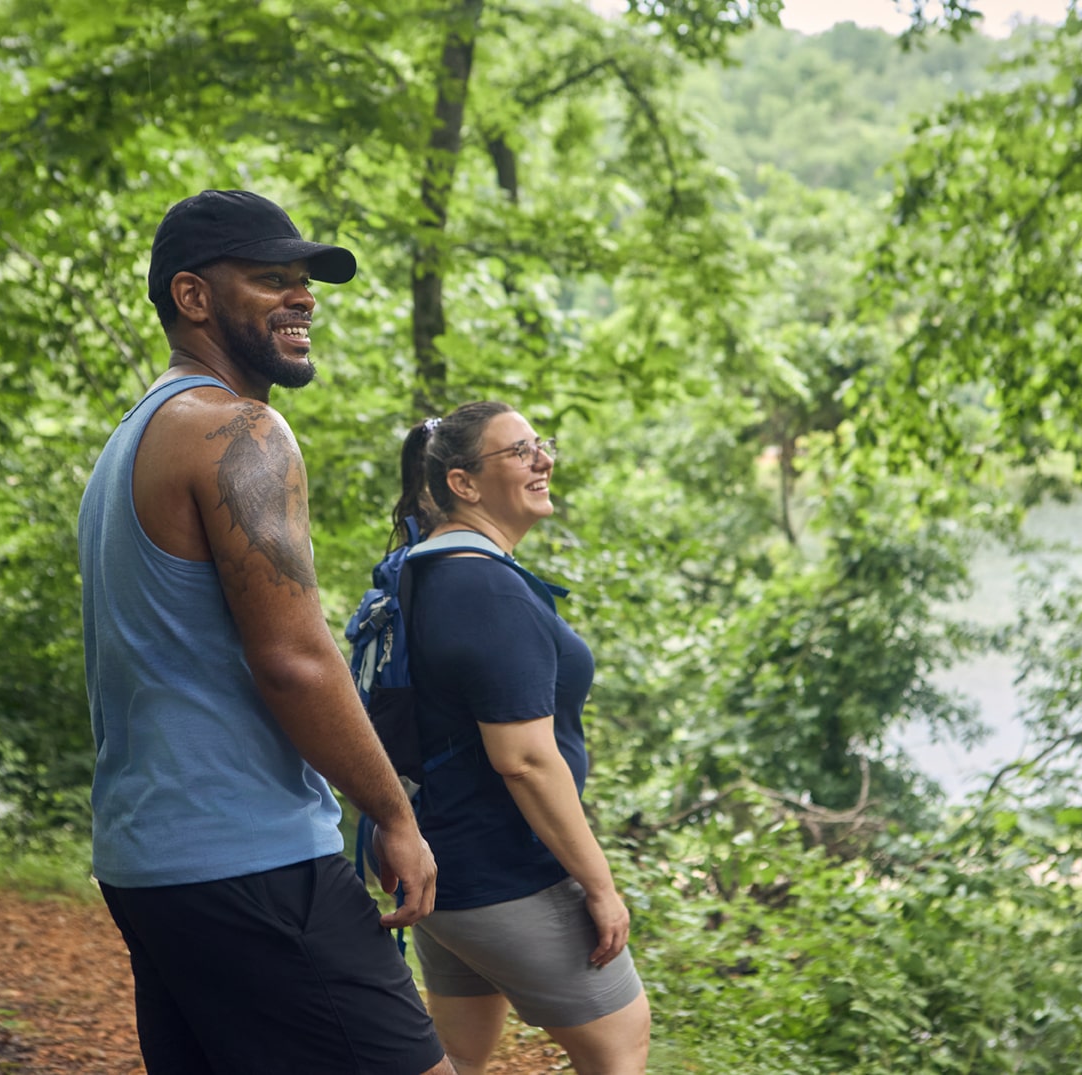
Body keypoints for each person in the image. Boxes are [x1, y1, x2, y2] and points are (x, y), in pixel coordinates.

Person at [77, 188, 455, 1075]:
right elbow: (292, 658)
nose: (303, 297)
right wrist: (393, 813)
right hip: (248, 860)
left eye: (304, 280)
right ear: (192, 297)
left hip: (145, 860)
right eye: (269, 279)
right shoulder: (238, 430)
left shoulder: (130, 440)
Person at [383, 401, 651, 1075]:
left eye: (542, 445)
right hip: (507, 873)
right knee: (620, 1050)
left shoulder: (427, 570)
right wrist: (599, 883)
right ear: (463, 484)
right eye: (520, 451)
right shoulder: (486, 590)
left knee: (459, 1057)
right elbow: (527, 761)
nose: (543, 460)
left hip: (444, 867)